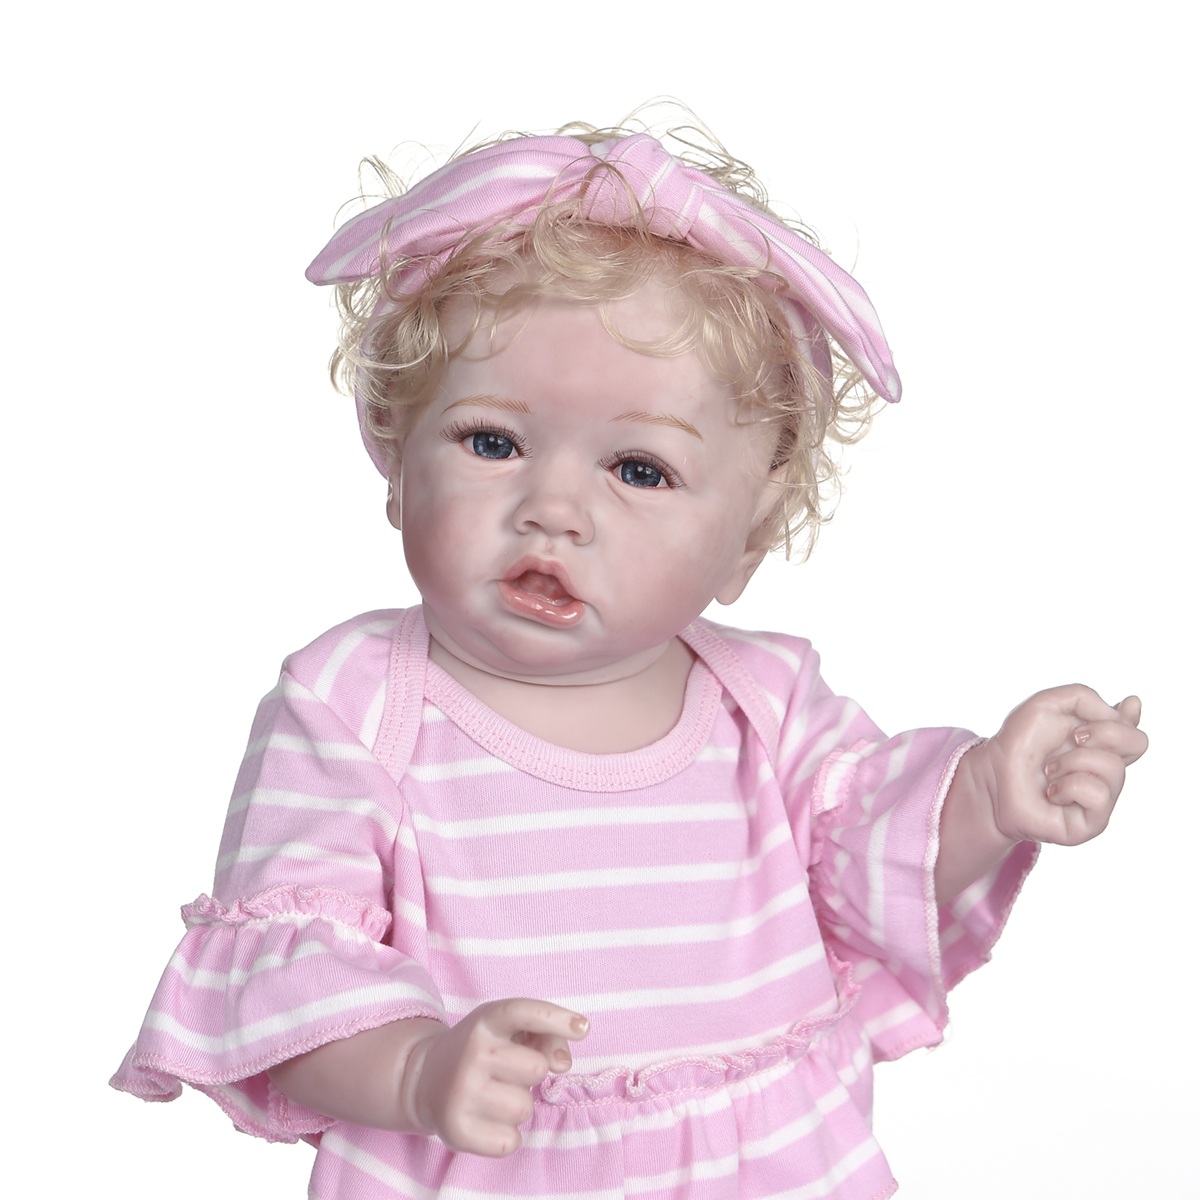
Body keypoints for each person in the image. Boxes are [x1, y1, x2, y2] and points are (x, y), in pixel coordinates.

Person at [111, 118, 1147, 1199]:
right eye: (493, 442)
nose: (553, 507)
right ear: (396, 458)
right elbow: (286, 979)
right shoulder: (356, 703)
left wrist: (986, 796)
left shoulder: (768, 703)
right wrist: (416, 1070)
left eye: (639, 470)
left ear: (748, 540)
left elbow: (872, 870)